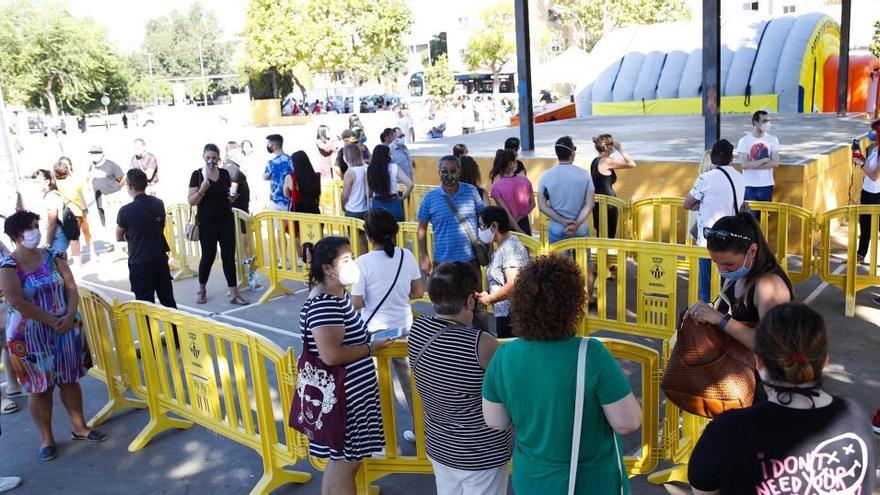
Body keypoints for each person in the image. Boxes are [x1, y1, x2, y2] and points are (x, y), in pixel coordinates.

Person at [482, 254, 642, 494]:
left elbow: (495, 421)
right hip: (589, 482)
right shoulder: (591, 354)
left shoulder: (504, 356)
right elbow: (628, 422)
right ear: (573, 304)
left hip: (532, 480)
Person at [688, 302, 876, 495]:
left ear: (759, 362)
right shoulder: (856, 417)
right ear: (825, 361)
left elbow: (703, 491)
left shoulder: (727, 431)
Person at [0, 210, 108, 461]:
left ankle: (80, 427)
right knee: (40, 389)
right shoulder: (8, 266)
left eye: (36, 226)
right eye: (30, 228)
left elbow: (71, 287)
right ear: (16, 235)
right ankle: (47, 438)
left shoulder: (53, 256)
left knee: (70, 380)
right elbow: (15, 299)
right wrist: (51, 320)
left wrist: (69, 315)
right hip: (29, 336)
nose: (35, 231)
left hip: (65, 329)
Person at [409, 262, 511, 494]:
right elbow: (506, 391)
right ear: (470, 301)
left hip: (439, 446)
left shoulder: (418, 329)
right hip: (481, 452)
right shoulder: (481, 343)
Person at [300, 236, 389, 495]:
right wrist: (372, 348)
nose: (354, 264)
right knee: (345, 465)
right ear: (328, 268)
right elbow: (331, 355)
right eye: (347, 260)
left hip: (346, 395)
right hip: (345, 398)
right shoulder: (326, 303)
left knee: (339, 462)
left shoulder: (336, 295)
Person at [351, 208, 423, 442]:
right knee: (412, 385)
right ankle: (421, 431)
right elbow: (417, 292)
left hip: (373, 335)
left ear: (368, 235)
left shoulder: (361, 263)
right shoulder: (407, 256)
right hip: (404, 329)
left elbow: (357, 303)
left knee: (373, 388)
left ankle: (377, 438)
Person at [684, 212, 793, 351]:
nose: (722, 270)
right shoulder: (739, 274)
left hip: (756, 371)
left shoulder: (769, 285)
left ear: (752, 251)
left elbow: (773, 345)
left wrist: (720, 319)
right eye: (717, 263)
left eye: (728, 264)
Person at [684, 139, 746, 303]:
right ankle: (726, 317)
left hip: (708, 240)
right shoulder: (740, 178)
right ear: (732, 158)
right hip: (731, 239)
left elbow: (687, 204)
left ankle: (706, 318)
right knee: (726, 287)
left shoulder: (706, 178)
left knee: (706, 288)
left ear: (712, 158)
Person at [188, 144, 249, 306]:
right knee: (208, 257)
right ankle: (201, 290)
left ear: (218, 157)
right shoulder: (197, 175)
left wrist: (232, 197)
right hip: (207, 222)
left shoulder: (223, 174)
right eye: (208, 157)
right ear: (203, 156)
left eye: (214, 157)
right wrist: (202, 190)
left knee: (229, 257)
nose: (211, 161)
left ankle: (234, 293)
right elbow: (191, 201)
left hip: (226, 220)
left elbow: (226, 195)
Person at [116, 169, 176, 308]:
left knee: (145, 306)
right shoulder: (158, 203)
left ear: (130, 187)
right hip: (159, 257)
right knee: (168, 301)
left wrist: (130, 235)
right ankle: (174, 330)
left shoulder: (125, 211)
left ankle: (149, 331)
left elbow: (118, 236)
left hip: (140, 261)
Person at [474, 207, 529, 338]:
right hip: (505, 314)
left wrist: (490, 298)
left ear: (494, 226)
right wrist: (488, 293)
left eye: (482, 226)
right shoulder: (502, 247)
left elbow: (513, 285)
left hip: (511, 316)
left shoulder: (510, 247)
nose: (480, 231)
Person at [537, 136, 595, 243]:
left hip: (557, 227)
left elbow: (542, 206)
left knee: (559, 260)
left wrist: (563, 221)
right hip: (580, 228)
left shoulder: (545, 176)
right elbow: (590, 204)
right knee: (582, 260)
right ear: (572, 153)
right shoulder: (585, 175)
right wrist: (576, 224)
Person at [590, 134, 636, 239]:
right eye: (612, 144)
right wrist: (620, 149)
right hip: (608, 203)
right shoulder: (607, 161)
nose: (614, 146)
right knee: (609, 235)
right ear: (606, 147)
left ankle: (602, 254)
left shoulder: (595, 161)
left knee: (601, 234)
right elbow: (632, 164)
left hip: (598, 202)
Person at [736, 110, 780, 207]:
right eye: (764, 121)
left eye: (768, 121)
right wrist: (764, 160)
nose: (767, 123)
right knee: (749, 218)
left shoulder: (773, 140)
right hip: (749, 185)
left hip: (766, 185)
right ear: (755, 122)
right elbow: (744, 165)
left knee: (765, 218)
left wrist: (752, 164)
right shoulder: (744, 141)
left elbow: (775, 163)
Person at [87, 145, 125, 253]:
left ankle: (120, 242)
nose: (94, 155)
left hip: (112, 195)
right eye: (92, 153)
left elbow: (122, 178)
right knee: (105, 220)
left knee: (115, 219)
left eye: (96, 153)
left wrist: (117, 189)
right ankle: (111, 242)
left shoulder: (111, 165)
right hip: (100, 196)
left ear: (102, 153)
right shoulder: (92, 167)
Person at [54, 158, 91, 263]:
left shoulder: (57, 183)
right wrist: (71, 173)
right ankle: (77, 260)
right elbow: (80, 187)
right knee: (75, 237)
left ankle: (77, 258)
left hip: (66, 211)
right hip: (75, 211)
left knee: (71, 236)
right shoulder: (70, 181)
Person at [853, 119, 880, 265]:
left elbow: (875, 176)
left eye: (875, 132)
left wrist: (861, 164)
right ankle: (860, 255)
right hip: (867, 192)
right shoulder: (875, 150)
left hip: (878, 195)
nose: (872, 134)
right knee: (865, 225)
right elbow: (869, 166)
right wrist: (859, 156)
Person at [489, 149, 535, 235]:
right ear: (512, 164)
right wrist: (520, 218)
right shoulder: (525, 180)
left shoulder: (496, 187)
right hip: (524, 224)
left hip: (508, 227)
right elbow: (533, 205)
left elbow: (506, 213)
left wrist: (517, 228)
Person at [367, 144, 413, 221]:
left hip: (377, 205)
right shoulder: (394, 167)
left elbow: (369, 193)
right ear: (387, 155)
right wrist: (401, 198)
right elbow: (410, 184)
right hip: (394, 204)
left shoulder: (370, 169)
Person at [31, 170, 70, 254]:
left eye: (37, 182)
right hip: (56, 237)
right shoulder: (47, 196)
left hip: (56, 238)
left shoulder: (51, 197)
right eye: (33, 183)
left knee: (57, 264)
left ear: (47, 182)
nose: (34, 185)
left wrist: (48, 244)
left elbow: (52, 223)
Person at [283, 150, 322, 214]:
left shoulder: (290, 177)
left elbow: (286, 194)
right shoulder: (316, 177)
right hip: (314, 213)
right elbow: (317, 194)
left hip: (297, 215)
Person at [263, 134, 293, 211]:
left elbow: (265, 177)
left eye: (269, 144)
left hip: (275, 201)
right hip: (289, 201)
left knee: (276, 223)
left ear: (274, 146)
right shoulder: (291, 160)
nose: (267, 146)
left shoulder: (271, 163)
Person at [341, 144, 370, 221]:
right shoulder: (366, 168)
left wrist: (343, 206)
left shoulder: (350, 172)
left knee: (353, 233)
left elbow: (345, 195)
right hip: (366, 209)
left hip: (353, 210)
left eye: (344, 154)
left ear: (348, 156)